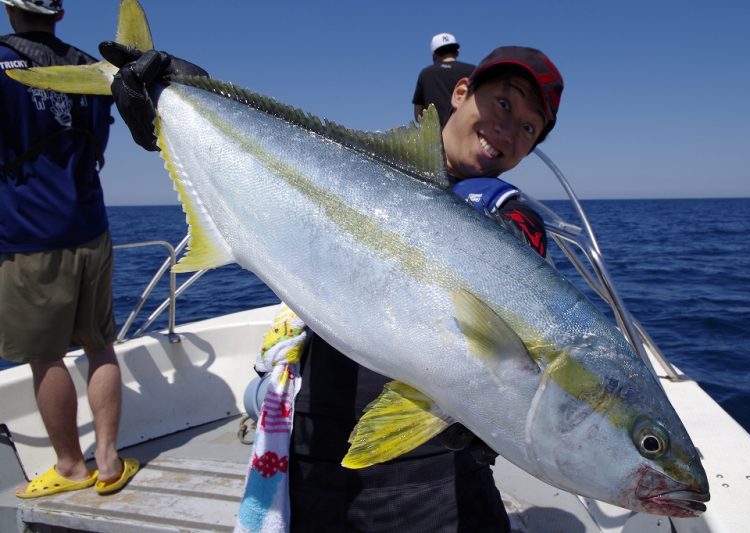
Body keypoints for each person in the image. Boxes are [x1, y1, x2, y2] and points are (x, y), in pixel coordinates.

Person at [106, 43, 563, 532]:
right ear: (461, 91)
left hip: (433, 475)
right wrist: (177, 111)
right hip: (312, 452)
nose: (508, 129)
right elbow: (269, 169)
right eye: (504, 104)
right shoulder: (358, 171)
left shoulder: (512, 220)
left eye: (529, 128)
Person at [0, 0, 139, 498]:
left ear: (10, 10)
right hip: (92, 226)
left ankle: (70, 465)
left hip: (29, 235)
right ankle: (108, 461)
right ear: (59, 14)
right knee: (100, 344)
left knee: (45, 357)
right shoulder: (89, 66)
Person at [412, 32, 475, 127]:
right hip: (465, 133)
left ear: (434, 54)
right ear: (457, 51)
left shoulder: (426, 74)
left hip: (437, 137)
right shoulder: (472, 70)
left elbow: (418, 115)